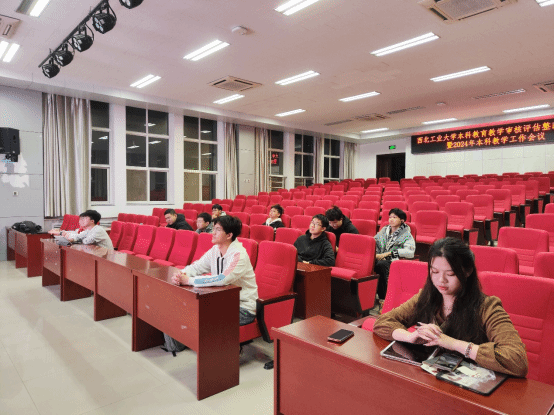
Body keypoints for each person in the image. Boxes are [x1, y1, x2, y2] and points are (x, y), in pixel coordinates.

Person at [373, 237, 528, 378]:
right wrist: (409, 336)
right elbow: (382, 322)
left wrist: (453, 343)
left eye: (451, 274)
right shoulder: (426, 297)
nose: (441, 280)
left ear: (467, 271)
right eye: (434, 272)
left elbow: (517, 360)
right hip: (431, 379)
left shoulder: (487, 307)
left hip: (468, 385)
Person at [172, 215, 258, 326]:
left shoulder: (239, 255)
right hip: (221, 301)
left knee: (194, 320)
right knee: (177, 312)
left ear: (229, 235)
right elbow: (197, 266)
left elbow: (222, 279)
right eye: (213, 229)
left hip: (243, 309)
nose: (213, 233)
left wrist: (188, 280)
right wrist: (181, 273)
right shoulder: (215, 249)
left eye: (217, 230)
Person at [374, 208, 416, 302]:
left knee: (381, 265)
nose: (391, 220)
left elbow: (410, 252)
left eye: (394, 217)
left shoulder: (406, 234)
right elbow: (375, 241)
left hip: (394, 260)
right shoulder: (384, 230)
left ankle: (383, 298)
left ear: (402, 220)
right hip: (380, 257)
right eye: (390, 217)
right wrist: (375, 254)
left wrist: (389, 253)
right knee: (370, 263)